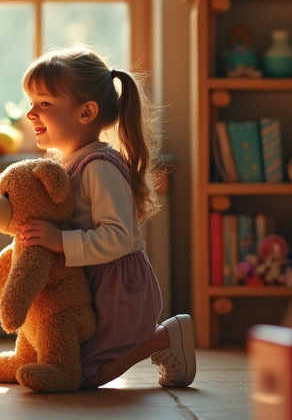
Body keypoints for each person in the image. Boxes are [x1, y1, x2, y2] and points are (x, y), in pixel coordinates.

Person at [17, 43, 196, 390]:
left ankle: (165, 337)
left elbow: (118, 237)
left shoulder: (99, 167)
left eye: (44, 104)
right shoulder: (66, 163)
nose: (30, 114)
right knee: (61, 359)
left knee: (83, 375)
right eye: (31, 103)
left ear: (86, 112)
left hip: (116, 288)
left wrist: (58, 241)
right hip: (90, 282)